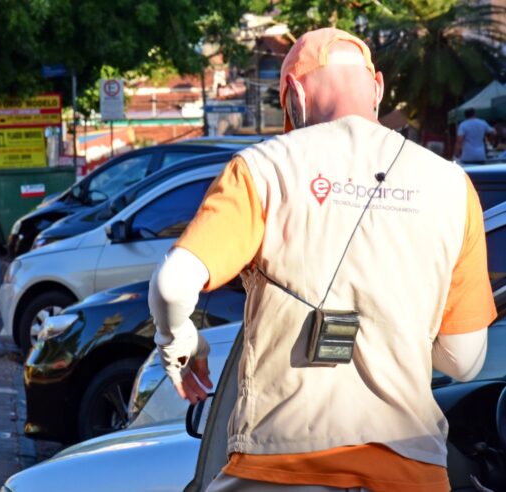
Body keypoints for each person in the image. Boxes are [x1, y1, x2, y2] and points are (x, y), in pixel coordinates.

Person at [149, 28, 495, 491]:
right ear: (377, 87)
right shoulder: (453, 188)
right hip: (411, 470)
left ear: (293, 94)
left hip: (278, 465)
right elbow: (464, 362)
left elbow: (173, 284)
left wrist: (180, 341)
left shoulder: (263, 168)